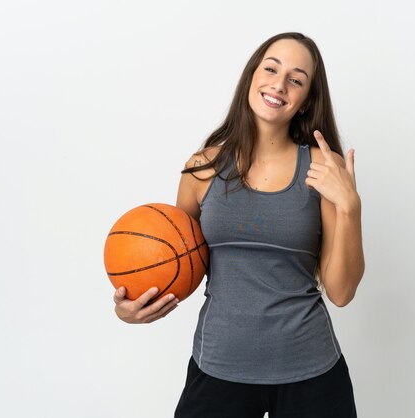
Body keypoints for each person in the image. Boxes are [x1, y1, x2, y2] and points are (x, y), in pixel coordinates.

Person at [113, 32, 364, 417]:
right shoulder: (203, 167)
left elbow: (342, 292)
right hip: (218, 367)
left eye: (296, 79)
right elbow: (177, 263)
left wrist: (349, 207)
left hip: (311, 372)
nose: (279, 84)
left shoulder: (322, 168)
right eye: (271, 68)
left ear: (306, 101)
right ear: (252, 76)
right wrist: (128, 308)